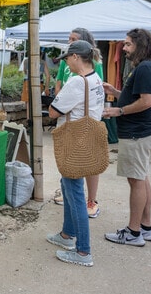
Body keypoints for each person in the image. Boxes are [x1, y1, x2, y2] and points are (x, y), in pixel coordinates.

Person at [102, 28, 151, 247]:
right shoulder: (147, 66)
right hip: (144, 130)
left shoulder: (145, 68)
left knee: (136, 180)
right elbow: (138, 96)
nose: (124, 48)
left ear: (140, 45)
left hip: (138, 132)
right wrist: (117, 93)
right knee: (142, 177)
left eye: (128, 44)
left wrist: (119, 110)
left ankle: (133, 232)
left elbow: (147, 101)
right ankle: (145, 227)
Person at [46, 40, 104, 267]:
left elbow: (53, 111)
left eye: (67, 58)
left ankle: (83, 251)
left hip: (73, 140)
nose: (66, 63)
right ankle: (67, 235)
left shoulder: (76, 83)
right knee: (69, 186)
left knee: (74, 192)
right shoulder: (96, 79)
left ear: (76, 58)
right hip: (86, 139)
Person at [53, 28, 105, 218]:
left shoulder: (90, 69)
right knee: (73, 170)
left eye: (73, 39)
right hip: (69, 108)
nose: (69, 41)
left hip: (79, 121)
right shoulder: (70, 64)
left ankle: (90, 200)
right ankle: (70, 199)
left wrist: (62, 103)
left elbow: (89, 92)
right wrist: (61, 98)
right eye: (69, 38)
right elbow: (59, 81)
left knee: (84, 165)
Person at [20, 51, 50, 118]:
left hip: (27, 82)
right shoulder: (43, 63)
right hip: (39, 83)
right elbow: (48, 76)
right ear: (41, 55)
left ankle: (29, 120)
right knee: (37, 102)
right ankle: (36, 119)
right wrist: (46, 88)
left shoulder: (26, 61)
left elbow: (24, 71)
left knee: (28, 103)